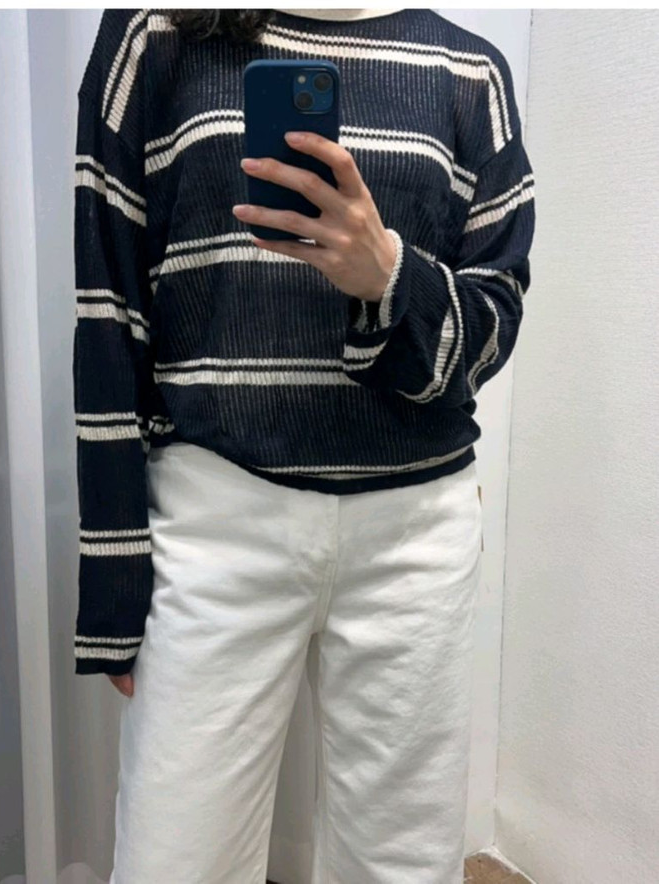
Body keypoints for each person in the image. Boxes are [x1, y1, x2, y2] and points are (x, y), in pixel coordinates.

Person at [72, 8, 535, 883]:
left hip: (415, 533)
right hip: (216, 518)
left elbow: (496, 320)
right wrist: (114, 578)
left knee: (401, 861)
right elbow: (108, 312)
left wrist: (388, 277)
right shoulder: (160, 33)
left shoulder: (471, 72)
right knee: (175, 859)